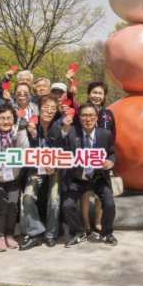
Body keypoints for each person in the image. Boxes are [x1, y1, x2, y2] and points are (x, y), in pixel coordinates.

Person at [58, 103, 117, 247]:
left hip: (98, 178)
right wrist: (64, 130)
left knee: (109, 204)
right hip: (77, 179)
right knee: (67, 205)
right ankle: (78, 232)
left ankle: (106, 233)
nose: (88, 119)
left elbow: (112, 153)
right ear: (79, 117)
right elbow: (58, 147)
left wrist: (110, 161)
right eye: (84, 115)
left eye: (91, 115)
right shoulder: (71, 132)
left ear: (96, 117)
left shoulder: (105, 134)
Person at [0, 104, 34, 252]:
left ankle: (9, 234)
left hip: (14, 177)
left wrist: (21, 131)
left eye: (9, 118)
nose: (5, 121)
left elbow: (25, 150)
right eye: (1, 118)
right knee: (2, 206)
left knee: (13, 205)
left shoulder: (18, 131)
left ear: (14, 119)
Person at [19, 94, 63, 250]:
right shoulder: (31, 125)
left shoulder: (59, 128)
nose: (49, 111)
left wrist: (55, 165)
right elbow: (22, 147)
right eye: (46, 107)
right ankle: (36, 231)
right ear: (38, 108)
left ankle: (51, 234)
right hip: (36, 167)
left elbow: (64, 152)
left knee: (54, 200)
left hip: (54, 168)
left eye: (53, 108)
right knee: (27, 197)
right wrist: (29, 129)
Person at [79, 82, 117, 236]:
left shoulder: (109, 114)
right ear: (88, 94)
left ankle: (98, 222)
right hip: (85, 154)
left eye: (100, 93)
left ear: (104, 96)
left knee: (101, 190)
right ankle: (86, 222)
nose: (97, 96)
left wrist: (110, 157)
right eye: (94, 92)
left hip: (102, 157)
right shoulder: (83, 110)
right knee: (85, 191)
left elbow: (113, 135)